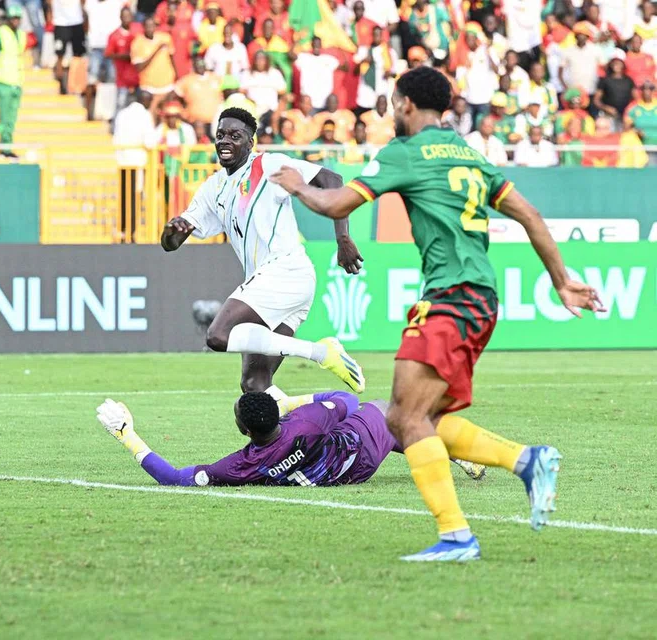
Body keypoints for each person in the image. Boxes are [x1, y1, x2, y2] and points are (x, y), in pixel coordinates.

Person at [269, 65, 605, 562]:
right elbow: (530, 215)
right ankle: (526, 461)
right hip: (480, 299)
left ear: (405, 105)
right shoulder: (468, 154)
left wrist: (297, 185)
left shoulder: (406, 152)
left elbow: (337, 203)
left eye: (392, 102)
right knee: (419, 417)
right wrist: (561, 281)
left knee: (403, 417)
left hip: (452, 297)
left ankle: (457, 535)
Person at [160, 107, 366, 402]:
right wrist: (173, 230)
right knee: (255, 385)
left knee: (218, 336)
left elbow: (331, 179)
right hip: (276, 284)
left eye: (235, 135)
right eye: (220, 135)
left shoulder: (268, 165)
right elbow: (172, 242)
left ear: (250, 142)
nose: (225, 141)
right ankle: (322, 421)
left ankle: (322, 352)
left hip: (285, 271)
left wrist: (343, 237)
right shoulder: (214, 187)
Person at [96, 391, 398, 487]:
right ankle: (444, 449)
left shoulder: (241, 466)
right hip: (357, 449)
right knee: (386, 409)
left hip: (344, 478)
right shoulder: (307, 421)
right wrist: (291, 402)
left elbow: (173, 478)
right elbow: (348, 399)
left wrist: (128, 436)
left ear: (245, 431)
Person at [113, 91, 156, 241]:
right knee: (135, 197)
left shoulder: (122, 114)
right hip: (137, 162)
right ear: (146, 100)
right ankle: (131, 231)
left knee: (125, 195)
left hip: (122, 161)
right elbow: (150, 142)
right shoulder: (145, 116)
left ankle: (123, 230)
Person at [0, 5, 27, 156]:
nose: (16, 21)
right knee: (4, 117)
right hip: (3, 80)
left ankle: (8, 145)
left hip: (17, 81)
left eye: (18, 18)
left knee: (12, 118)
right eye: (13, 18)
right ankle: (5, 147)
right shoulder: (1, 33)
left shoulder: (22, 35)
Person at [84, 0, 125, 119]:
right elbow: (85, 18)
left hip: (112, 48)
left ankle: (109, 112)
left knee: (112, 81)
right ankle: (89, 112)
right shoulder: (90, 2)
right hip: (95, 47)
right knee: (91, 80)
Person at [130, 17, 176, 119]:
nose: (150, 28)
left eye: (152, 26)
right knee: (150, 117)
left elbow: (172, 58)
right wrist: (156, 50)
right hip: (149, 86)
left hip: (166, 84)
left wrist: (175, 76)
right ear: (143, 27)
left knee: (166, 116)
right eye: (147, 26)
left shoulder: (166, 38)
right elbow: (139, 67)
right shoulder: (137, 43)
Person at [104, 6, 141, 124]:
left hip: (139, 77)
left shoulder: (138, 30)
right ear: (120, 17)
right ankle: (115, 130)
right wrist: (125, 56)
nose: (127, 19)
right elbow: (109, 54)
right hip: (123, 78)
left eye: (129, 16)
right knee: (120, 105)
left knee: (139, 108)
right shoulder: (114, 35)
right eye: (124, 16)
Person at [175, 56, 222, 129]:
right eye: (197, 64)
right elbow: (176, 95)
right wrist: (183, 112)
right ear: (194, 66)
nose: (200, 67)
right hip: (195, 122)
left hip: (215, 122)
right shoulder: (186, 80)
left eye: (201, 64)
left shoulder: (216, 78)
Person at [294, 37, 339, 111]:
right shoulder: (304, 58)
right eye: (314, 44)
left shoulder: (329, 59)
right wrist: (297, 40)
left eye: (318, 45)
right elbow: (291, 55)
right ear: (311, 45)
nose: (316, 47)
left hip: (326, 103)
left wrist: (341, 47)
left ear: (321, 45)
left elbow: (345, 67)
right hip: (309, 104)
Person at [561, 22, 602, 96]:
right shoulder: (568, 51)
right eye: (579, 35)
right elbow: (561, 71)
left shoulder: (595, 50)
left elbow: (602, 68)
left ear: (587, 36)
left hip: (591, 89)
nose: (581, 37)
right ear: (575, 36)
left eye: (584, 35)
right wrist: (565, 87)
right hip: (574, 91)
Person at [52, 0, 86, 89]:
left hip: (76, 21)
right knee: (60, 55)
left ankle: (77, 84)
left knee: (78, 55)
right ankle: (60, 84)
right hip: (60, 22)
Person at [625, 79, 657, 164]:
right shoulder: (634, 108)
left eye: (650, 89)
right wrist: (636, 131)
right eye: (644, 89)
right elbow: (626, 128)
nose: (647, 92)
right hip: (644, 147)